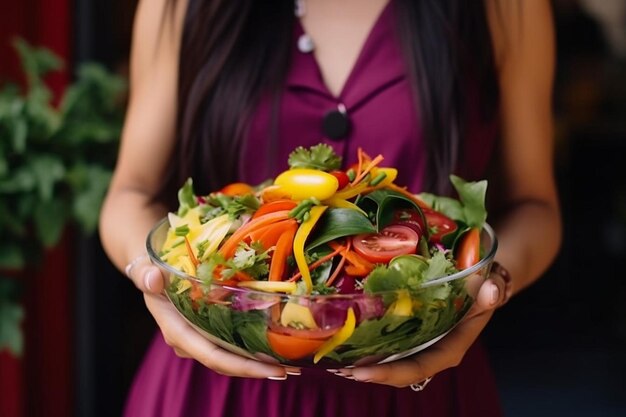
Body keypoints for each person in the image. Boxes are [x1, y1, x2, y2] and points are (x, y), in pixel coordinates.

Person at [99, 0, 561, 415]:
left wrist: (488, 282)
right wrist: (152, 276)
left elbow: (535, 206)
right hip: (215, 391)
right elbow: (131, 194)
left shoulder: (508, 7)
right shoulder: (178, 6)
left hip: (423, 385)